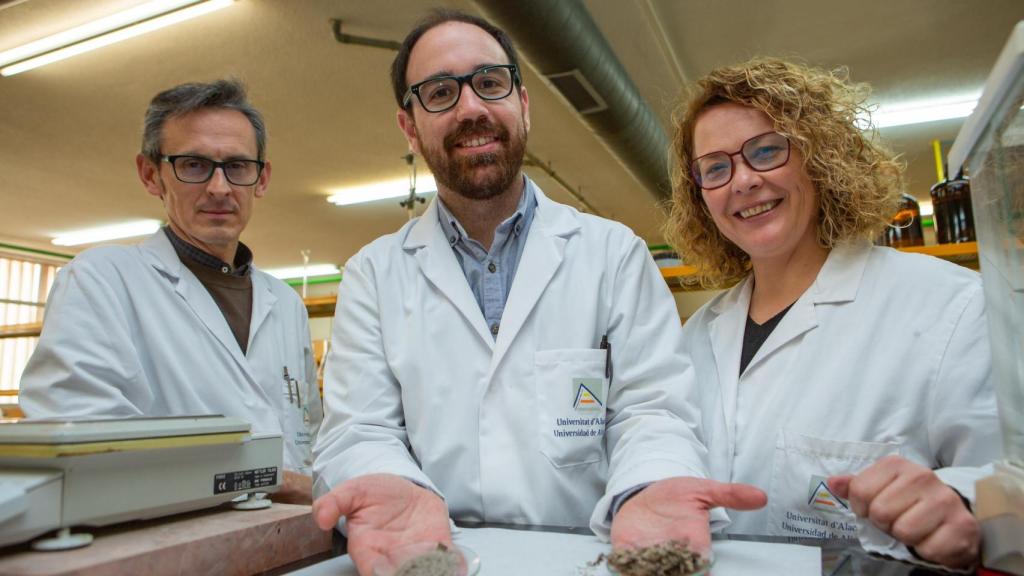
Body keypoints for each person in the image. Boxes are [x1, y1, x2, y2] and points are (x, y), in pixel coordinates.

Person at [311, 9, 764, 575]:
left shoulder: (613, 253)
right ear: (409, 126)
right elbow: (361, 427)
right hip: (439, 558)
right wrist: (387, 484)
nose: (471, 107)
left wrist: (652, 484)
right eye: (440, 93)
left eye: (490, 83)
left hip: (585, 558)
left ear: (523, 103)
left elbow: (652, 408)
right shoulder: (372, 275)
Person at [665, 57, 1000, 570]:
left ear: (819, 158)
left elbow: (1009, 482)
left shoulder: (950, 307)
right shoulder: (696, 336)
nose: (743, 180)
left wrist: (962, 500)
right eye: (715, 167)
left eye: (766, 150)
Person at [19, 79, 322, 504]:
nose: (220, 188)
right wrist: (274, 479)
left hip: (295, 537)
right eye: (194, 165)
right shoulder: (101, 280)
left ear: (262, 177)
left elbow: (309, 432)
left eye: (237, 166)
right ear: (151, 174)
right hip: (174, 540)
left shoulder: (285, 302)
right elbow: (79, 441)